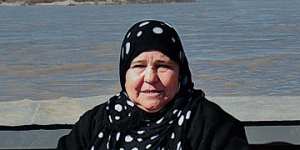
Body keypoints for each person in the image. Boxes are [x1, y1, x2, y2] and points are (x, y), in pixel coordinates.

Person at [57, 20, 249, 150]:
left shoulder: (212, 125)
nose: (150, 77)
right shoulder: (96, 123)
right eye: (138, 66)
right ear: (124, 73)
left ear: (180, 73)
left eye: (162, 66)